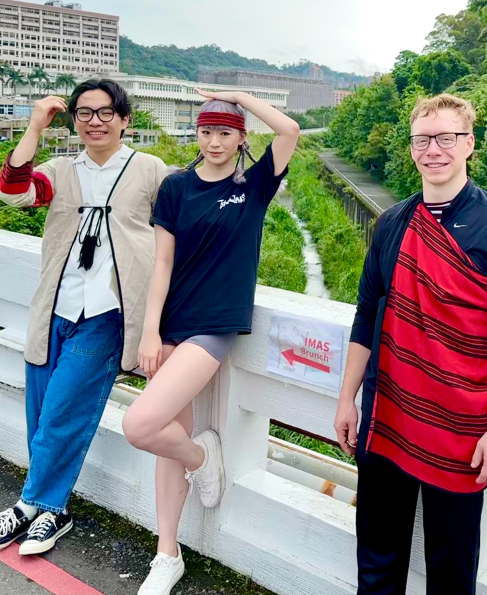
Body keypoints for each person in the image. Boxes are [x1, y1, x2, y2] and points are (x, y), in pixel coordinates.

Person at [334, 93, 487, 594]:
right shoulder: (393, 224)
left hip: (463, 430)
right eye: (423, 139)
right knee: (377, 560)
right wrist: (346, 398)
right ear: (411, 148)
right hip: (389, 417)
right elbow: (367, 315)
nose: (434, 150)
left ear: (469, 144)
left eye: (447, 138)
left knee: (451, 572)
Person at [0, 79, 168, 557]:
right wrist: (35, 125)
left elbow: (181, 226)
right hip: (54, 307)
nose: (94, 121)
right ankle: (53, 512)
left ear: (125, 120)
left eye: (105, 113)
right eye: (84, 113)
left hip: (108, 313)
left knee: (61, 411)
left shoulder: (150, 170)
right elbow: (11, 193)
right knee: (40, 412)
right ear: (73, 120)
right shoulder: (60, 170)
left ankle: (26, 505)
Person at [121, 89, 299, 595]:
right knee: (162, 440)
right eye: (206, 131)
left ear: (242, 138)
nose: (214, 140)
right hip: (172, 324)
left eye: (225, 132)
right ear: (195, 136)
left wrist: (239, 97)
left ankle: (202, 457)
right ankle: (167, 553)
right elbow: (161, 264)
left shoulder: (255, 185)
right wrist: (151, 331)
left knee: (140, 424)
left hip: (215, 326)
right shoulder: (177, 188)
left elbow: (289, 132)